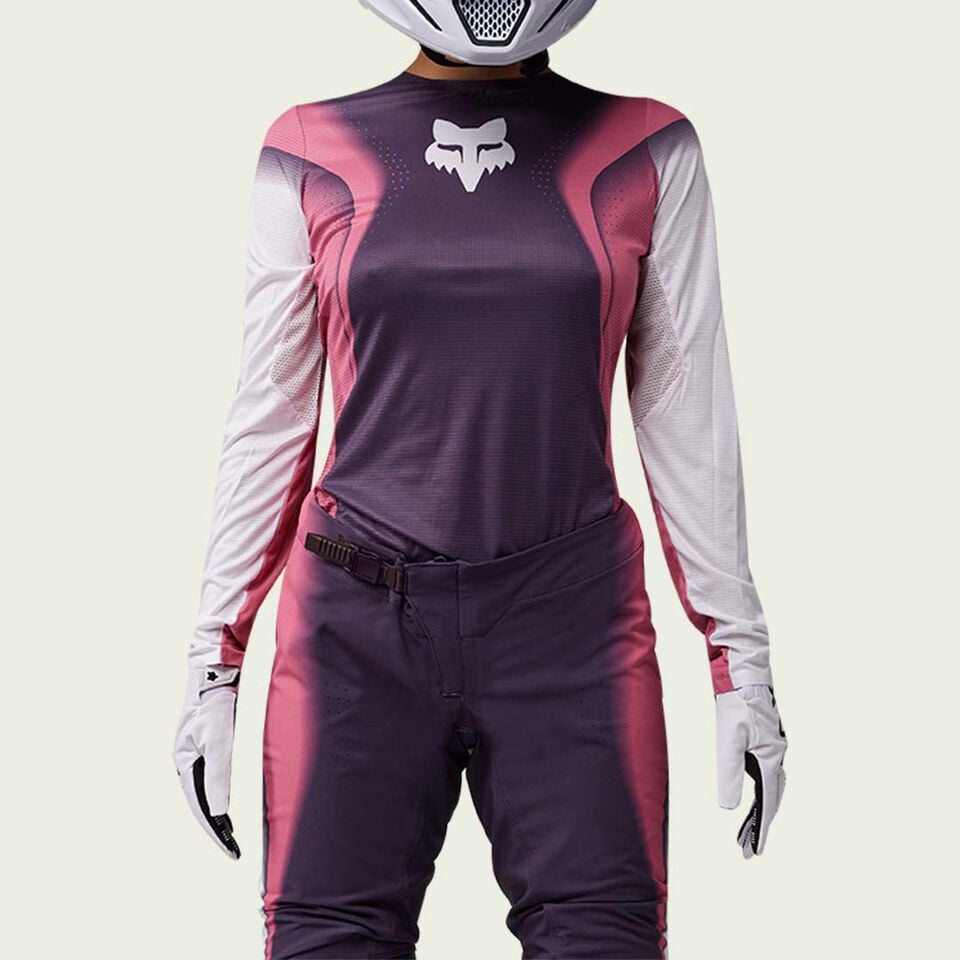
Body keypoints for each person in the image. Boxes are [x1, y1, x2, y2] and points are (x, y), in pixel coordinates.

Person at [173, 2, 788, 957]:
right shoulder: (308, 149)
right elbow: (272, 417)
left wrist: (739, 662)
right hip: (356, 625)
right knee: (325, 942)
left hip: (571, 622)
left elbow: (686, 412)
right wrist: (214, 662)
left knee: (606, 940)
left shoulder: (647, 146)